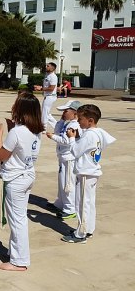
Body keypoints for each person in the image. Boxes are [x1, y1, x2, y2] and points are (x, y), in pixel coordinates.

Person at [0, 92, 44, 271]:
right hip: (27, 175)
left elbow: (0, 155)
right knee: (19, 217)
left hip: (15, 178)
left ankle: (19, 261)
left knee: (17, 220)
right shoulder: (36, 130)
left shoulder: (16, 132)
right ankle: (15, 252)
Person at [61, 104, 116, 243]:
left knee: (81, 204)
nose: (78, 121)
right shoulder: (98, 133)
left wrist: (72, 138)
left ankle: (80, 234)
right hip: (92, 172)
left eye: (80, 119)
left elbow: (75, 151)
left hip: (86, 172)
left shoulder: (89, 134)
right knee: (89, 203)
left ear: (90, 120)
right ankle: (88, 229)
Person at [45, 100, 82, 220]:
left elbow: (66, 141)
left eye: (66, 111)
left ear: (75, 113)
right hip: (63, 157)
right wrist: (61, 120)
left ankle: (70, 208)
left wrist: (52, 137)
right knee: (62, 182)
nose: (64, 113)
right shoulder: (68, 123)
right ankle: (60, 203)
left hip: (69, 159)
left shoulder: (74, 126)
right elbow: (58, 131)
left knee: (68, 184)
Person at [34, 62, 58, 130]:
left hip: (50, 96)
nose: (46, 67)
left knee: (44, 113)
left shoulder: (53, 76)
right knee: (46, 113)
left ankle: (43, 128)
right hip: (47, 96)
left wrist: (41, 88)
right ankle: (57, 126)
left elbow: (51, 88)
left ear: (52, 68)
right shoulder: (47, 75)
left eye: (48, 66)